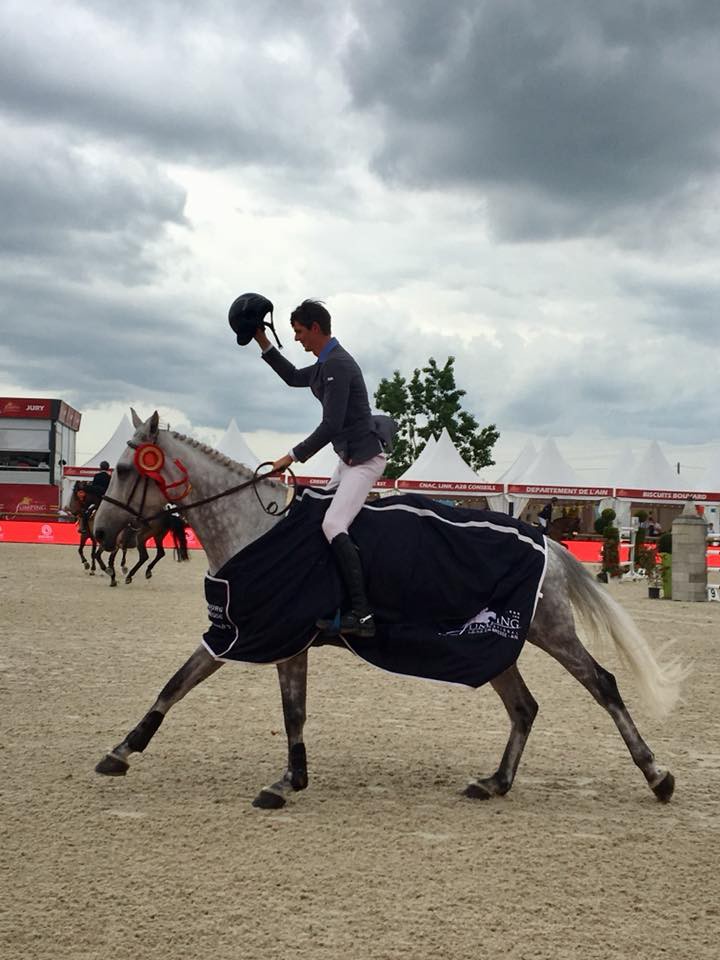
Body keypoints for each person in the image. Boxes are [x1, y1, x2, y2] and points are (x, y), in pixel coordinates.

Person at [251, 298, 394, 638]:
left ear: (316, 328)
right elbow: (290, 377)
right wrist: (261, 340)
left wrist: (291, 456)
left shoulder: (338, 364)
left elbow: (331, 425)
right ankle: (328, 595)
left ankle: (362, 615)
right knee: (316, 517)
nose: (297, 339)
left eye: (299, 332)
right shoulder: (324, 363)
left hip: (364, 461)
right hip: (347, 459)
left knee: (332, 523)